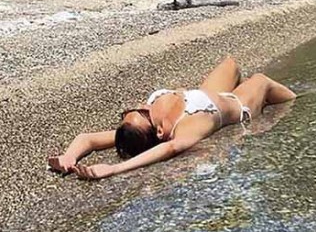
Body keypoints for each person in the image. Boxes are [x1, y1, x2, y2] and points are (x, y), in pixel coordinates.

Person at [48, 56, 296, 181]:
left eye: (129, 111)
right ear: (159, 131)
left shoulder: (140, 124)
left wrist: (69, 157)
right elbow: (172, 148)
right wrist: (113, 169)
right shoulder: (185, 127)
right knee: (262, 80)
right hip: (237, 106)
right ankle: (297, 101)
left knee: (230, 63)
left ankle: (247, 88)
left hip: (204, 94)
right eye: (142, 112)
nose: (142, 106)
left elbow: (88, 139)